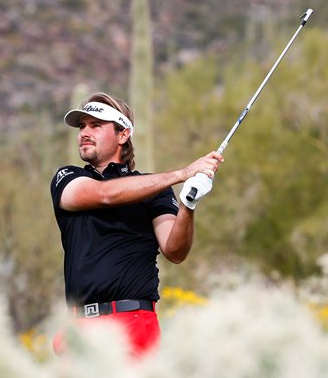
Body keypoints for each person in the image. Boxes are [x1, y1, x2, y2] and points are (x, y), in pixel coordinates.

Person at [50, 92, 224, 357]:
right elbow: (104, 195)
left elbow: (175, 250)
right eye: (82, 126)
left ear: (123, 134)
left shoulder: (155, 191)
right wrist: (181, 174)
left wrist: (188, 204)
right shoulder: (67, 177)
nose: (84, 132)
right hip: (81, 329)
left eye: (96, 125)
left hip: (134, 324)